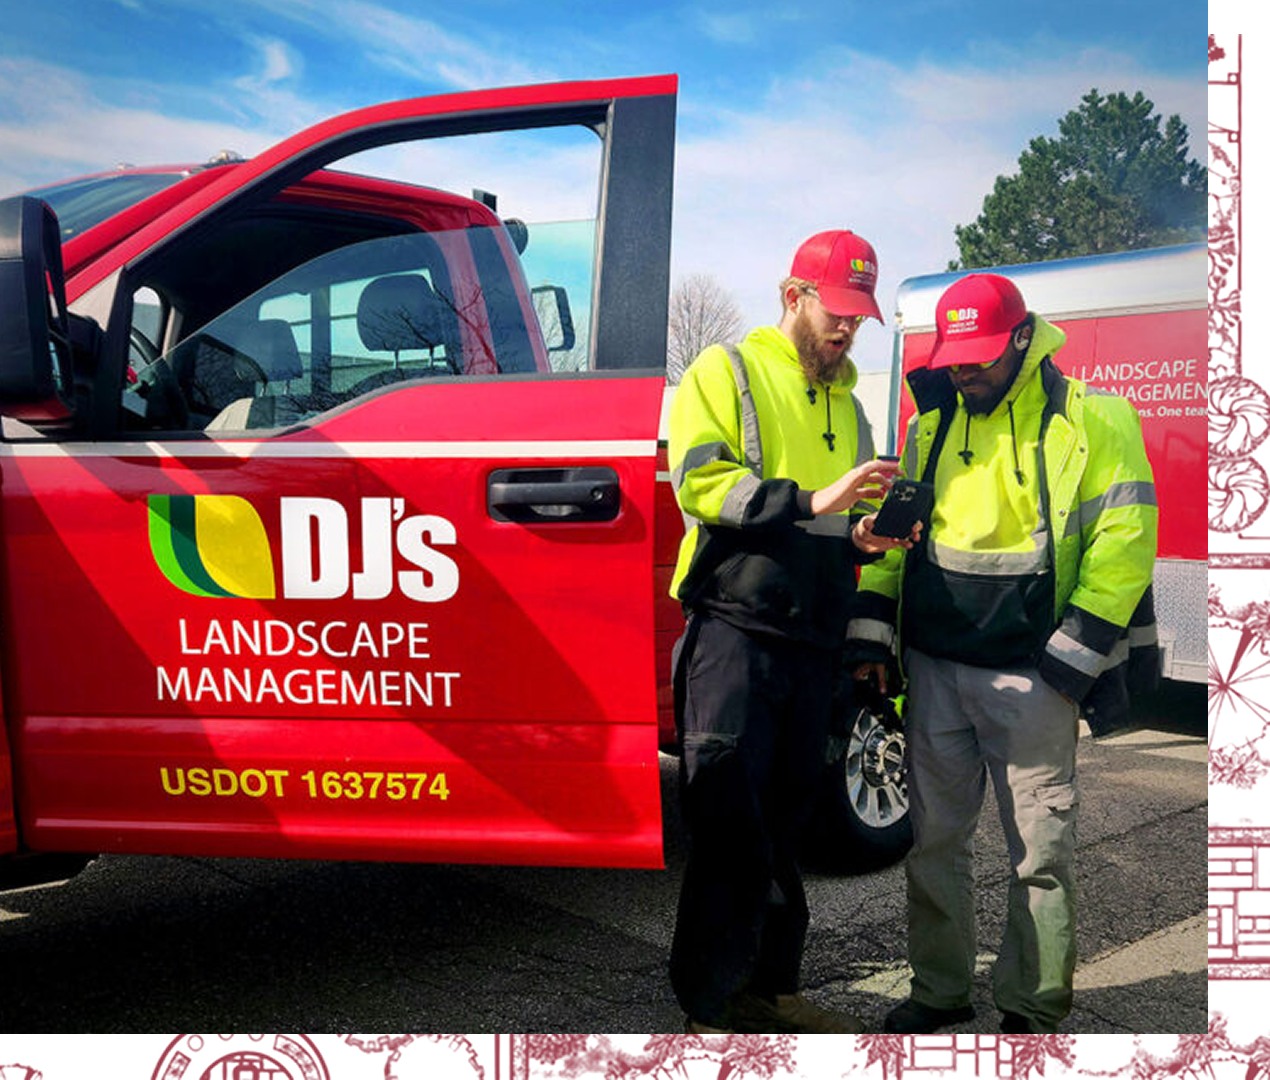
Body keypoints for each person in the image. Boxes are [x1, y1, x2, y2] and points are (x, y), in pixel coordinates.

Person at [848, 273, 1159, 1034]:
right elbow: (897, 539)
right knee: (934, 844)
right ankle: (940, 991)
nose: (964, 371)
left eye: (981, 358)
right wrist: (870, 631)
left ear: (1024, 339)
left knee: (1040, 857)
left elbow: (1126, 542)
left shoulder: (1093, 420)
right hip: (936, 674)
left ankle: (1032, 1005)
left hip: (1034, 680)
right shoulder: (931, 426)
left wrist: (1073, 658)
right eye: (956, 357)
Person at [666, 229, 916, 1034]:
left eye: (858, 317)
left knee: (786, 821)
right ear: (793, 297)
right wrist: (816, 500)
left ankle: (771, 990)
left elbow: (836, 526)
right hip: (735, 634)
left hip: (812, 644)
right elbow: (703, 484)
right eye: (835, 311)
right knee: (729, 820)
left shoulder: (849, 403)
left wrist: (862, 537)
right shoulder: (725, 370)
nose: (846, 329)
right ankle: (712, 997)